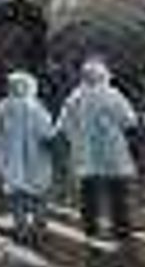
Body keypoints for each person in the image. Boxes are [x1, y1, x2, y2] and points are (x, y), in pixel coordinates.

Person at [59, 56, 139, 247]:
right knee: (117, 193)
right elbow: (129, 120)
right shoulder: (112, 95)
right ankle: (121, 228)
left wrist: (74, 140)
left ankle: (90, 227)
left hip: (86, 153)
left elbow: (64, 124)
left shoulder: (75, 97)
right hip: (113, 152)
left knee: (89, 193)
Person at [0, 67, 60, 234]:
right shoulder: (36, 108)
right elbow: (47, 134)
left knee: (16, 195)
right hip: (36, 160)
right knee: (39, 194)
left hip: (11, 160)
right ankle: (39, 223)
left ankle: (20, 226)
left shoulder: (3, 106)